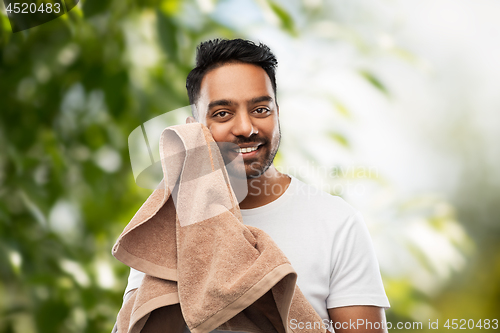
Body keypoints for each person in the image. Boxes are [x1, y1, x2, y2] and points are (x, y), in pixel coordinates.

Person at [121, 38, 390, 333]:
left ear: (278, 113)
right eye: (222, 113)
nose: (246, 128)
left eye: (261, 109)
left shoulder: (338, 224)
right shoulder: (168, 224)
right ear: (193, 127)